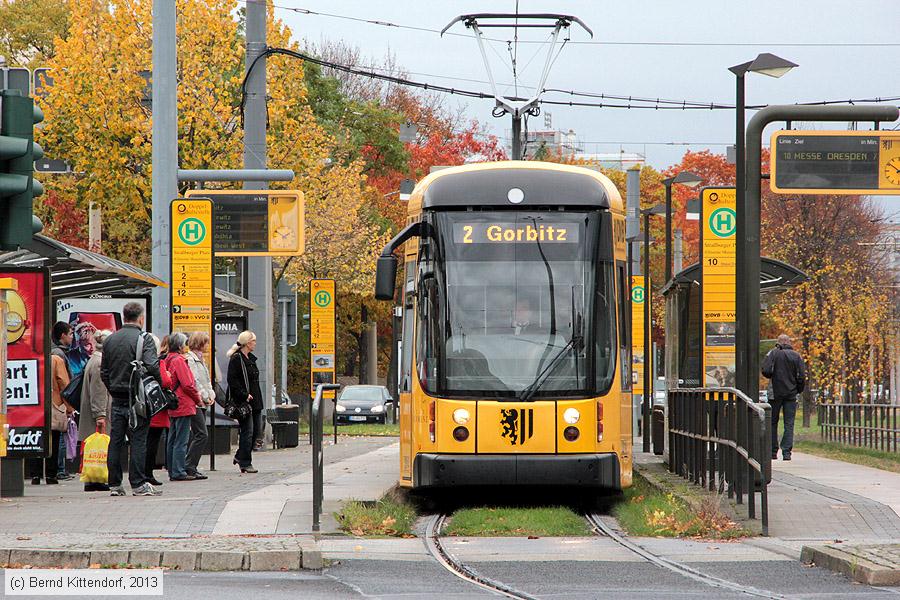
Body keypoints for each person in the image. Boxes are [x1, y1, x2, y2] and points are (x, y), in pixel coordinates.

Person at [100, 302, 161, 496]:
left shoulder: (110, 340)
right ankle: (138, 483)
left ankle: (115, 485)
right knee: (138, 440)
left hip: (117, 398)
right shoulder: (145, 339)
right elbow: (152, 366)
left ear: (124, 316)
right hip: (137, 398)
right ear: (141, 318)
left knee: (116, 441)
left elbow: (104, 372)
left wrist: (113, 388)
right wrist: (158, 387)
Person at [30, 322, 74, 485]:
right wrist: (69, 407)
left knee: (35, 439)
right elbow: (63, 383)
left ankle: (35, 475)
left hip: (34, 406)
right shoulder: (56, 359)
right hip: (53, 405)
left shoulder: (33, 358)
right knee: (54, 440)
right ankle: (51, 474)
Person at [162, 333, 203, 481]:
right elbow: (188, 384)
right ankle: (179, 471)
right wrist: (198, 399)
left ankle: (172, 470)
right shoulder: (179, 360)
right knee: (181, 439)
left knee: (172, 439)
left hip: (172, 402)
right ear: (180, 346)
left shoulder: (167, 359)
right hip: (183, 403)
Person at [762, 334, 807, 461]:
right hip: (791, 394)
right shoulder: (796, 356)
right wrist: (798, 389)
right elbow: (802, 376)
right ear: (789, 342)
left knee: (772, 422)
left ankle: (772, 451)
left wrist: (773, 375)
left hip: (774, 393)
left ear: (778, 342)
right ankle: (786, 452)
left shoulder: (773, 353)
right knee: (789, 423)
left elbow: (765, 370)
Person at [78, 329, 113, 492]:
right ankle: (97, 479)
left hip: (92, 413)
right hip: (98, 415)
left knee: (93, 449)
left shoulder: (94, 360)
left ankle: (92, 480)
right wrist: (100, 416)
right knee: (99, 449)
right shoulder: (100, 363)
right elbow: (99, 392)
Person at [227, 330, 261, 473]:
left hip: (255, 400)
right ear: (247, 343)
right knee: (247, 431)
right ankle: (245, 463)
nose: (255, 343)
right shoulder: (237, 359)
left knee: (255, 432)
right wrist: (244, 394)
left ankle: (240, 455)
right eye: (253, 341)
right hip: (243, 401)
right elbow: (232, 380)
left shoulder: (251, 359)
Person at [185, 332, 215, 479]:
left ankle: (191, 465)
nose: (208, 345)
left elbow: (207, 379)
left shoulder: (201, 359)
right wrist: (203, 395)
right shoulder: (191, 360)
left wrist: (210, 394)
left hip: (203, 402)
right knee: (201, 434)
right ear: (200, 343)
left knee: (199, 433)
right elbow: (195, 381)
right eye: (206, 343)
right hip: (195, 402)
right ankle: (190, 465)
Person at [146, 334, 170, 487]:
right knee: (152, 443)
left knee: (144, 441)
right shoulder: (157, 363)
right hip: (157, 408)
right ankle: (148, 473)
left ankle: (144, 472)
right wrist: (168, 375)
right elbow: (166, 381)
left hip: (143, 407)